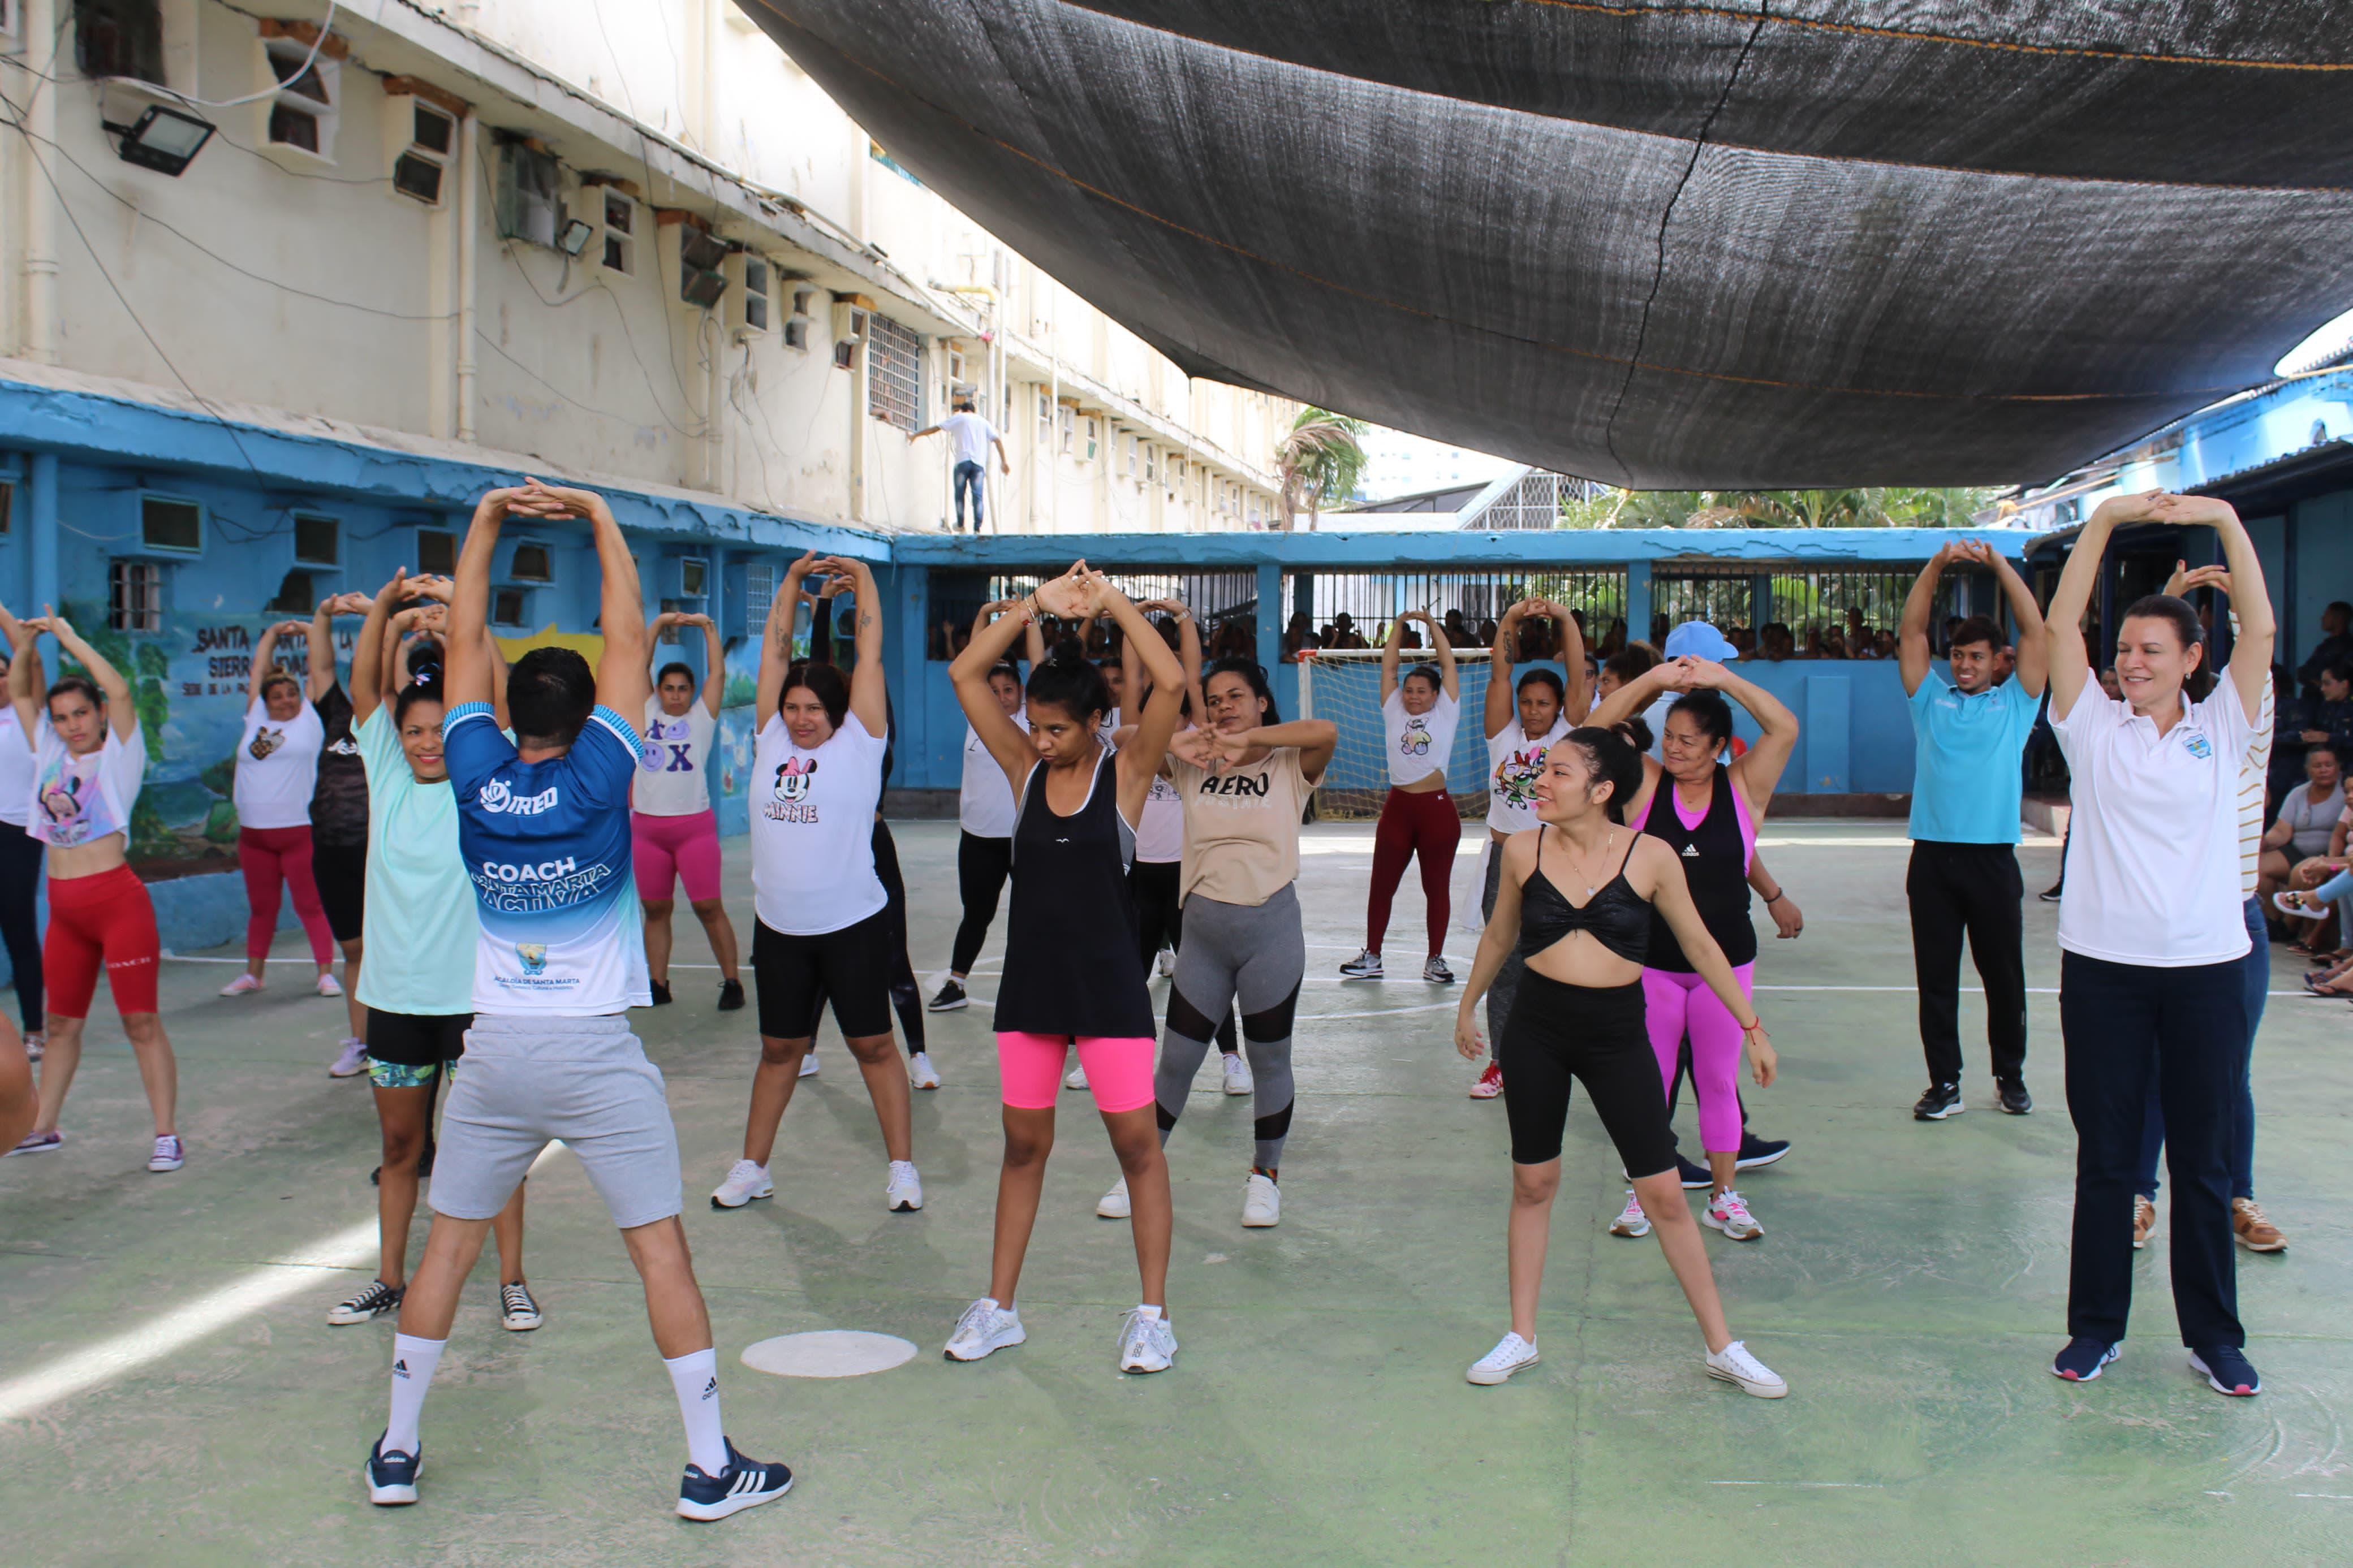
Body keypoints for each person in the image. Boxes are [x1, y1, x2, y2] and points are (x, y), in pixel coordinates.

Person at [365, 479, 791, 1518]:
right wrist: (600, 520)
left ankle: (396, 1448)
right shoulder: (607, 771)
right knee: (659, 1251)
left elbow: (465, 633)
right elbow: (631, 635)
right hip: (594, 1056)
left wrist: (486, 518)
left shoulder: (470, 769)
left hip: (497, 1052)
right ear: (594, 712)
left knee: (449, 1246)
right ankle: (708, 1466)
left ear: (507, 715)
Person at [1454, 724, 1784, 1396]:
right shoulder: (1522, 849)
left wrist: (1751, 1025)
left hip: (1615, 1036)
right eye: (1543, 770)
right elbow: (1499, 934)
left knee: (1662, 1192)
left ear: (1602, 790)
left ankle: (1722, 1345)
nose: (1540, 782)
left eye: (1560, 773)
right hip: (1537, 1029)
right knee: (1532, 1182)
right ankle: (1521, 1335)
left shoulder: (1650, 855)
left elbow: (1698, 944)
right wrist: (1465, 1006)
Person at [2041, 491, 2272, 1399]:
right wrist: (2104, 522)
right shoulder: (2094, 726)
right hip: (2103, 973)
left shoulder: (2224, 726)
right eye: (2125, 650)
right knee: (2107, 1159)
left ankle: (2214, 1336)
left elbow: (2261, 626)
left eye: (2151, 651)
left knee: (2205, 1164)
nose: (2132, 662)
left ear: (2191, 659)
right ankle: (2096, 1329)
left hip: (2209, 973)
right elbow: (2063, 626)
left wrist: (2219, 514)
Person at [942, 564, 1188, 1374]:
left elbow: (1175, 679)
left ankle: (1152, 1315)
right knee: (1022, 1145)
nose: (1039, 739)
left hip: (1110, 990)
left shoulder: (1128, 773)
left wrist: (1112, 602)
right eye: (1035, 727)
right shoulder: (1023, 771)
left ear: (1096, 721)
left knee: (1137, 1148)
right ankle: (999, 1307)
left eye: (1057, 728)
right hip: (1032, 989)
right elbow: (966, 673)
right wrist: (1033, 607)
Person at [327, 569, 537, 1332]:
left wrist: (463, 622)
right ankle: (389, 1277)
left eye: (437, 729)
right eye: (412, 730)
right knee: (399, 1144)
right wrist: (385, 607)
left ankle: (513, 1279)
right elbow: (362, 692)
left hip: (474, 1001)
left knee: (491, 1147)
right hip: (395, 1000)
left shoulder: (481, 778)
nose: (423, 742)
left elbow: (506, 702)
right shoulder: (383, 768)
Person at [709, 552, 923, 1216]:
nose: (801, 717)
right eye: (793, 706)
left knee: (873, 1046)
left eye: (813, 709)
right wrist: (790, 586)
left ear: (838, 712)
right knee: (779, 1049)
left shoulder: (859, 743)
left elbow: (869, 651)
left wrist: (860, 576)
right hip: (779, 931)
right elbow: (777, 648)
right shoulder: (771, 738)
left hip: (852, 926)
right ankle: (754, 1166)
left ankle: (902, 1168)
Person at [1098, 658, 1335, 1229]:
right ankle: (1140, 1170)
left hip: (1270, 933)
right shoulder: (1187, 763)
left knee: (1268, 1056)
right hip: (1203, 935)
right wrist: (1190, 740)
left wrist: (1246, 739)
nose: (1224, 705)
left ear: (1260, 702)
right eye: (1214, 698)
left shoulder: (1287, 764)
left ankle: (1264, 1177)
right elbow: (1124, 738)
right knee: (1176, 1059)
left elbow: (1325, 731)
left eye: (1237, 696)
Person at [1588, 656, 1799, 1239]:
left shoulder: (1745, 788)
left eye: (1687, 741)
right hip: (1651, 963)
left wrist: (1723, 679)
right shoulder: (1646, 784)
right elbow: (1596, 731)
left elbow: (1783, 727)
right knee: (1647, 1082)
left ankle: (1724, 1196)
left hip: (1724, 965)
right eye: (1669, 738)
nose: (1674, 749)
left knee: (1713, 1078)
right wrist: (1654, 680)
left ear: (1718, 747)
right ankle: (1641, 1193)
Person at [2, 607, 179, 1172]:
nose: (73, 724)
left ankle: (166, 1134)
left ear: (99, 714)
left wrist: (70, 638)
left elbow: (121, 688)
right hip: (65, 910)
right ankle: (43, 1125)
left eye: (82, 713)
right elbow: (20, 687)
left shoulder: (120, 757)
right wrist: (26, 644)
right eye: (62, 716)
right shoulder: (48, 753)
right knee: (59, 1025)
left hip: (116, 902)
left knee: (140, 1022)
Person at [1898, 540, 2048, 1121]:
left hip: (1991, 859)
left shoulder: (2014, 705)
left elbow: (2037, 636)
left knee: (2002, 976)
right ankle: (1943, 1084)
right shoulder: (1929, 700)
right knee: (1935, 977)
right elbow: (1911, 635)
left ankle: (2009, 1076)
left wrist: (2000, 567)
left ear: (1997, 661)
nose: (1964, 666)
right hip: (1932, 860)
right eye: (1958, 656)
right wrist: (1935, 566)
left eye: (1976, 658)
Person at [1094, 599, 1249, 1099]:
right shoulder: (1138, 739)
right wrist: (1127, 620)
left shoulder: (1199, 740)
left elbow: (1189, 672)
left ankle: (1231, 1059)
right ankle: (1114, 1056)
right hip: (1139, 874)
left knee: (1204, 976)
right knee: (1127, 974)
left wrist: (1185, 619)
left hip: (1188, 876)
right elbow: (1135, 680)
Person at [1468, 597, 1587, 1100]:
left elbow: (1579, 676)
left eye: (1544, 702)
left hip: (1557, 860)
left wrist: (1562, 619)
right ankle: (1500, 1062)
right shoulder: (1502, 736)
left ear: (1559, 707)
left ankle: (1561, 1056)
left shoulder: (1569, 736)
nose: (1534, 711)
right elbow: (1501, 673)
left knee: (1561, 961)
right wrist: (1513, 616)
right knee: (1505, 963)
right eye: (1527, 701)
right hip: (1505, 861)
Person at [928, 601, 1044, 1014]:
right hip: (978, 837)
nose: (999, 697)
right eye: (992, 691)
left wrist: (1028, 613)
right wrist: (983, 613)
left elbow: (1038, 660)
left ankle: (1035, 990)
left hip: (1024, 838)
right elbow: (969, 663)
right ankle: (956, 983)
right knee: (975, 913)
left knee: (1033, 918)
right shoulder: (976, 717)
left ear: (1022, 692)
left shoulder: (1033, 719)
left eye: (1008, 690)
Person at [219, 623, 341, 1000]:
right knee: (261, 908)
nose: (286, 700)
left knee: (310, 904)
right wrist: (271, 634)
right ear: (265, 701)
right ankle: (253, 975)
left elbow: (321, 670)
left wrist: (310, 631)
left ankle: (325, 973)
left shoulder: (310, 720)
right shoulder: (256, 719)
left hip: (298, 831)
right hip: (254, 835)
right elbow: (257, 671)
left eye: (291, 693)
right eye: (278, 695)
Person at [1341, 610, 1461, 983]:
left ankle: (1435, 959)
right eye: (1409, 690)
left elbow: (1447, 662)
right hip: (1398, 808)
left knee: (1436, 887)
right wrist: (1398, 627)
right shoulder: (1393, 708)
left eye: (1421, 691)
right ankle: (1372, 955)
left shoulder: (1446, 711)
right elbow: (1389, 669)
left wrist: (1431, 625)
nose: (1413, 696)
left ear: (1436, 695)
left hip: (1436, 811)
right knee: (1382, 884)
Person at [635, 611, 745, 1013]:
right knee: (656, 909)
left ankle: (732, 980)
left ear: (692, 692)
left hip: (693, 829)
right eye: (669, 688)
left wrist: (709, 627)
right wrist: (659, 623)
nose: (676, 695)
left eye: (683, 689)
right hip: (647, 830)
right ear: (659, 691)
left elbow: (718, 673)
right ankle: (658, 983)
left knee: (708, 906)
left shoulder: (702, 718)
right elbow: (639, 664)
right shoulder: (646, 712)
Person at [301, 592, 381, 1077]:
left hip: (379, 849)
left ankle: (405, 1038)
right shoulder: (332, 711)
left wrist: (379, 615)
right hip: (331, 848)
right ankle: (362, 1042)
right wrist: (324, 613)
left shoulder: (388, 716)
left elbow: (383, 663)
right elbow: (321, 662)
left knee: (388, 946)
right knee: (353, 949)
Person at [0, 610, 43, 1065]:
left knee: (19, 930)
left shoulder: (26, 712)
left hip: (17, 832)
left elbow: (28, 661)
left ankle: (34, 1029)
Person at [2256, 743, 2342, 904]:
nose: (2323, 770)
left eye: (2328, 765)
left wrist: (2331, 859)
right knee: (2260, 867)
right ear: (2308, 769)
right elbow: (2282, 831)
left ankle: (2292, 922)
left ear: (2338, 767)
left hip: (2328, 855)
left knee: (2303, 872)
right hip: (2296, 851)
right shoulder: (2298, 793)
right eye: (2317, 766)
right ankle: (2275, 921)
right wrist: (2265, 842)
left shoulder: (2346, 793)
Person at [912, 395, 1009, 533]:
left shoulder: (959, 417)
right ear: (973, 411)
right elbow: (997, 441)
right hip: (978, 465)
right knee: (978, 495)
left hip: (962, 462)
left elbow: (936, 428)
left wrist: (916, 435)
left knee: (959, 494)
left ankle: (961, 523)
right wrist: (1004, 462)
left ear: (963, 410)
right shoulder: (983, 422)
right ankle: (977, 528)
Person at [2296, 599, 2353, 703]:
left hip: (2333, 704)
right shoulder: (2325, 646)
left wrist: (2321, 682)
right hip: (2313, 702)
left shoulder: (2347, 646)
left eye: (2327, 615)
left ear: (2338, 618)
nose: (2323, 619)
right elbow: (2303, 673)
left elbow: (2339, 676)